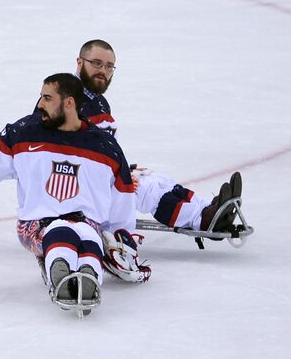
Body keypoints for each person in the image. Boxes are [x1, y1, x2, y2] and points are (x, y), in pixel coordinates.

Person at [0, 73, 136, 307]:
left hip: (88, 224)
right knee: (61, 230)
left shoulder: (104, 145)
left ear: (69, 102)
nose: (40, 104)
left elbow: (122, 194)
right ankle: (63, 278)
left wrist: (123, 235)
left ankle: (88, 278)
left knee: (88, 237)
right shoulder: (26, 132)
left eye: (47, 98)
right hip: (34, 224)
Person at [73, 39, 245, 277]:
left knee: (154, 178)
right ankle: (202, 219)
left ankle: (209, 207)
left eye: (109, 66)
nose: (103, 71)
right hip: (83, 191)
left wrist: (120, 169)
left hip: (101, 177)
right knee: (147, 190)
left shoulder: (96, 100)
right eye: (96, 63)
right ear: (79, 62)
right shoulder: (66, 100)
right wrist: (114, 176)